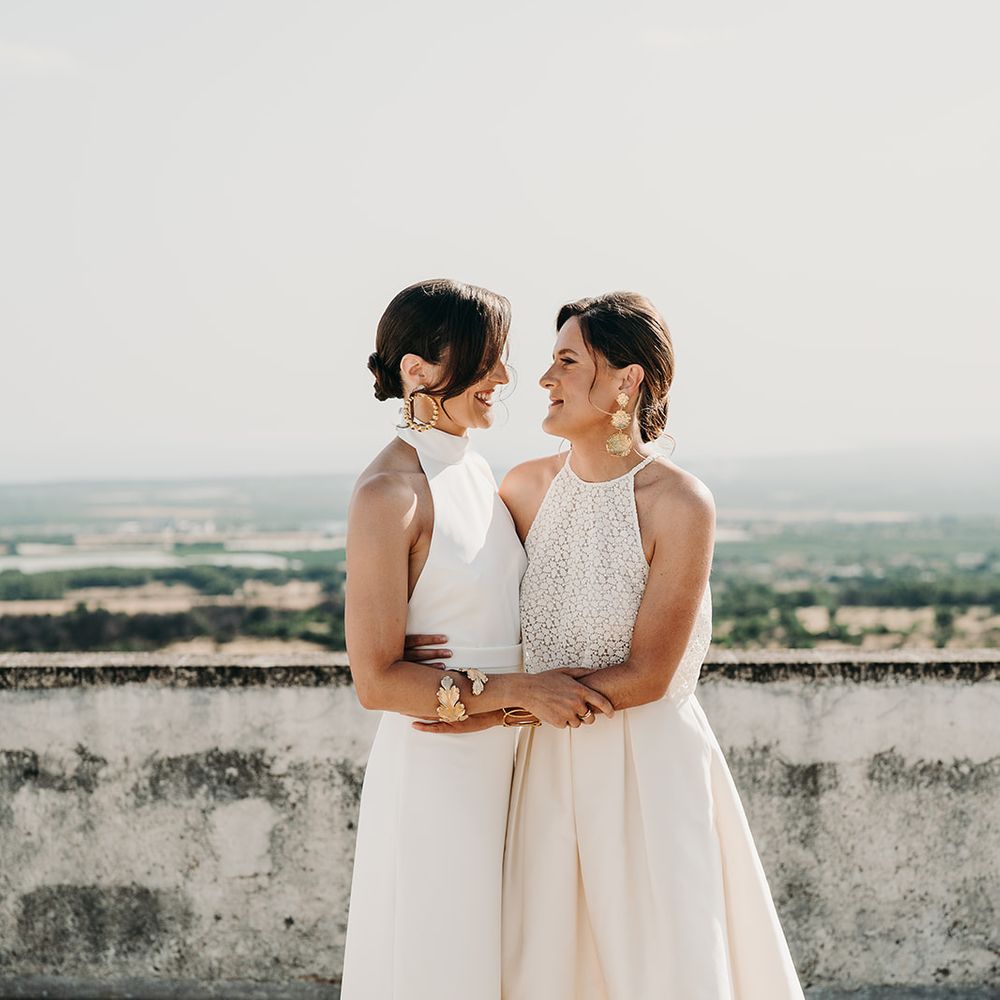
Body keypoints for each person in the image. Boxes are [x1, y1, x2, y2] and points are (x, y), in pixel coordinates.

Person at [416, 291, 804, 999]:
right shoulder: (524, 488)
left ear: (627, 382)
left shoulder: (679, 503)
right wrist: (430, 652)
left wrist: (494, 710)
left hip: (648, 770)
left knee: (659, 966)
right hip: (542, 770)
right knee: (546, 968)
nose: (544, 379)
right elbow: (483, 599)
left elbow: (651, 674)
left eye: (566, 361)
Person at [341, 278, 612, 1000]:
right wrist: (522, 693)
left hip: (516, 757)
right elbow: (377, 681)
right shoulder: (388, 494)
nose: (503, 378)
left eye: (502, 360)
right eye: (486, 359)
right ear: (418, 370)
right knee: (444, 963)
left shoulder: (476, 468)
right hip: (441, 771)